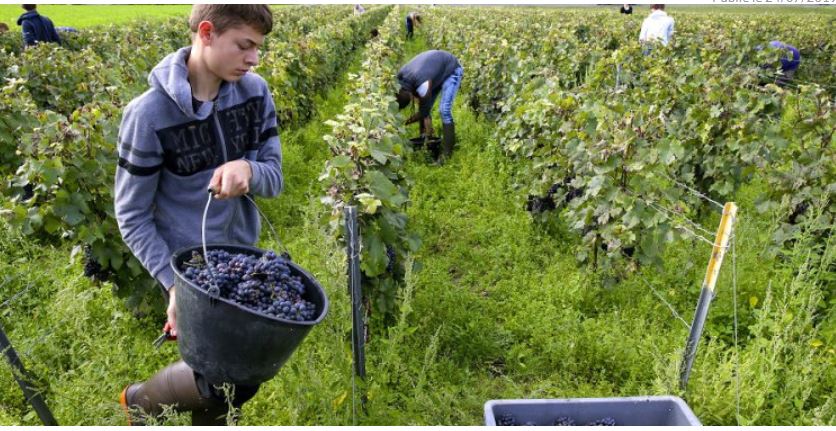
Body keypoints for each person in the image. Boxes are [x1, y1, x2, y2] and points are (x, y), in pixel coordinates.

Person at [114, 4, 282, 426]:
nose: (254, 59)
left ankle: (143, 403)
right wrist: (173, 284)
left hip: (242, 258)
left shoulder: (255, 93)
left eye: (258, 48)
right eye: (244, 45)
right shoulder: (148, 115)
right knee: (221, 379)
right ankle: (139, 402)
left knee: (238, 373)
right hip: (188, 267)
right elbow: (132, 214)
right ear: (206, 33)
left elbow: (274, 177)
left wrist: (249, 170)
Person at [395, 50, 463, 162]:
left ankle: (446, 154)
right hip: (433, 69)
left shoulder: (423, 84)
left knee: (444, 110)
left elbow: (424, 111)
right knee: (424, 102)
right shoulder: (400, 78)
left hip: (451, 69)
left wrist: (407, 122)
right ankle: (426, 139)